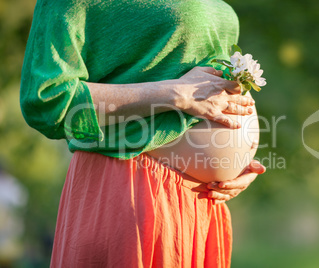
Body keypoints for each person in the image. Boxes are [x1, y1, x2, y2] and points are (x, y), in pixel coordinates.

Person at [20, 0, 266, 267]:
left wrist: (236, 162)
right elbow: (47, 100)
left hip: (205, 202)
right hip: (134, 190)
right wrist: (176, 94)